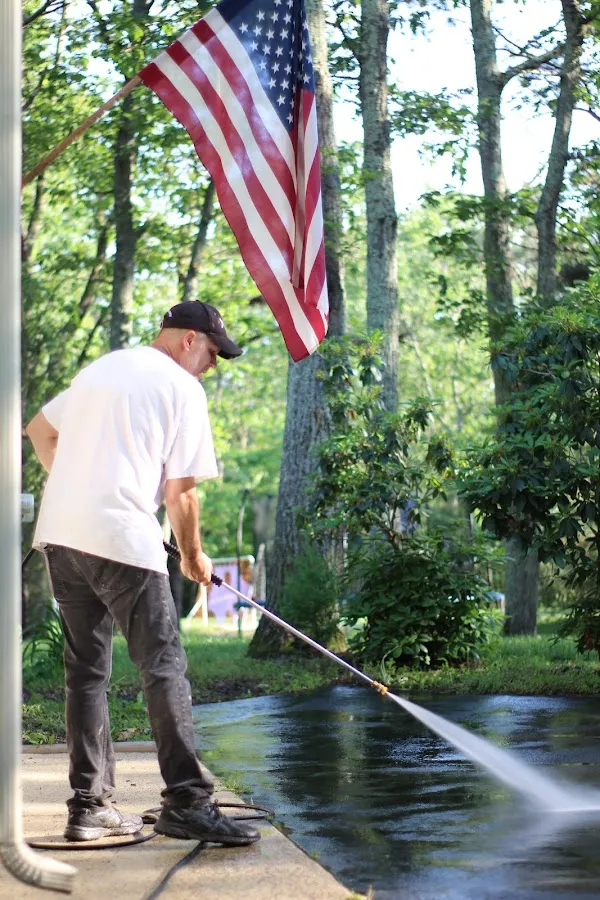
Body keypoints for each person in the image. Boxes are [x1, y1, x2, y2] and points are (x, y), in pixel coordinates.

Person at [26, 301, 260, 847]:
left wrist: (86, 486)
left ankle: (89, 808)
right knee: (163, 667)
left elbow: (38, 432)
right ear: (188, 341)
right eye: (212, 353)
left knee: (86, 673)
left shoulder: (102, 369)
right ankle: (187, 803)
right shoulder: (182, 390)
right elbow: (182, 492)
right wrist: (192, 555)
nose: (212, 365)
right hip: (121, 540)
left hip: (61, 533)